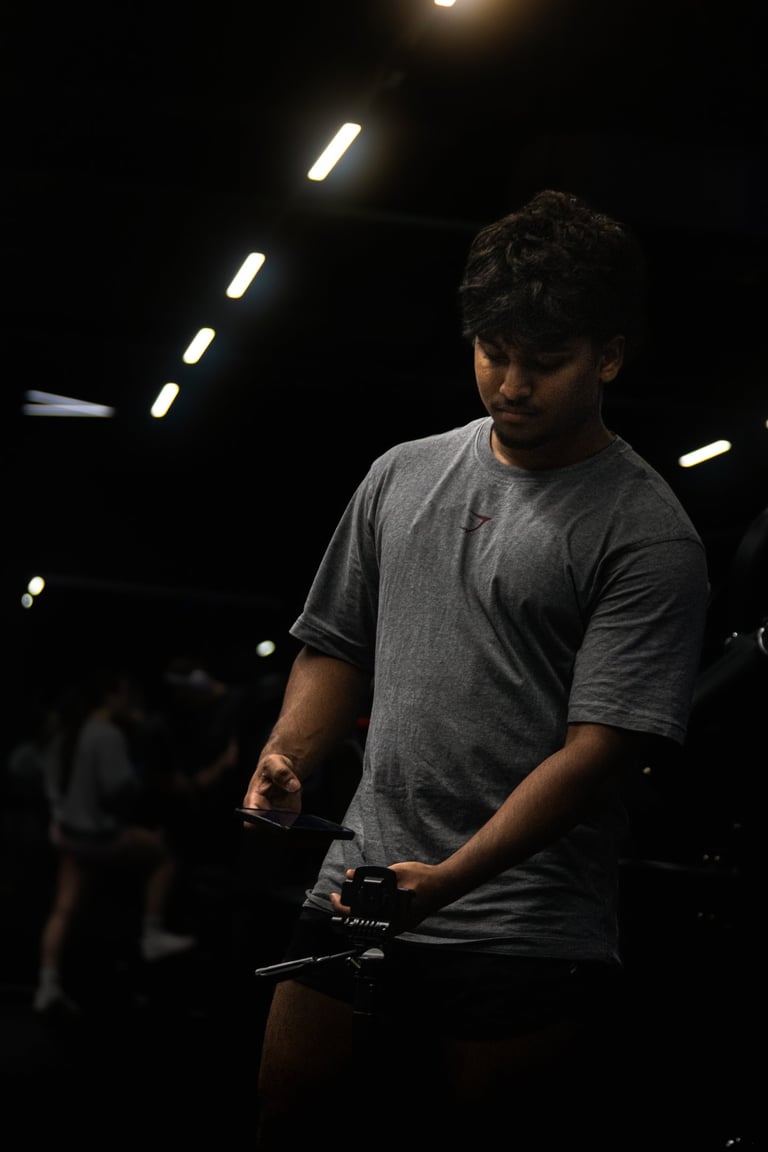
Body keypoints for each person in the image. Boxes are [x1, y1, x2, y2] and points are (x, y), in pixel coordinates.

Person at [241, 189, 711, 1148]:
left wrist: (450, 880)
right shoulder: (402, 474)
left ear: (608, 356)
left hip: (525, 928)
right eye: (494, 352)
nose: (511, 384)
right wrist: (288, 754)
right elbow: (337, 644)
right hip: (359, 883)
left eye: (546, 362)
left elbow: (598, 753)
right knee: (289, 1124)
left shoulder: (647, 532)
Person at [34, 664, 197, 1015]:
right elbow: (119, 789)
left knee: (63, 908)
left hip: (67, 834)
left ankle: (47, 985)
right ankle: (152, 933)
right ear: (111, 696)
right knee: (164, 856)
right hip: (99, 836)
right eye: (126, 694)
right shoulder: (106, 734)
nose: (131, 701)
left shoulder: (66, 731)